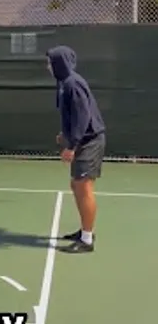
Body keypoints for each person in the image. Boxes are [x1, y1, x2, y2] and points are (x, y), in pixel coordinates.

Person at [46, 46, 106, 254]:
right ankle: (85, 231)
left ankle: (87, 240)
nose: (48, 67)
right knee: (76, 185)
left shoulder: (73, 83)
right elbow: (71, 115)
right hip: (82, 140)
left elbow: (83, 117)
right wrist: (65, 134)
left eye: (50, 62)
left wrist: (71, 146)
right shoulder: (64, 83)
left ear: (60, 63)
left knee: (83, 186)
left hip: (90, 141)